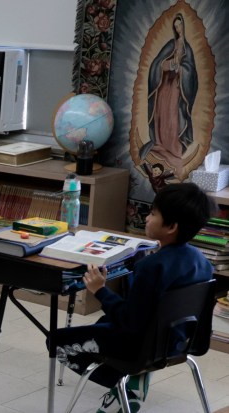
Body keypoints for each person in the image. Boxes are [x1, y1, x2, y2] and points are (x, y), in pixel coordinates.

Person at [52, 182, 215, 413]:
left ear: (171, 227)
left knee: (56, 342)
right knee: (102, 324)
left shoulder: (151, 266)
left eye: (153, 214)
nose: (147, 218)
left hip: (142, 348)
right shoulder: (203, 262)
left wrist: (100, 290)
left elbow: (130, 322)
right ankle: (133, 380)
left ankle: (125, 387)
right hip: (176, 343)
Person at [139, 13, 198, 178]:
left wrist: (181, 70)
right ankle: (160, 143)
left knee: (173, 117)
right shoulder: (171, 44)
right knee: (162, 115)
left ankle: (173, 147)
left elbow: (191, 71)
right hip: (164, 86)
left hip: (177, 88)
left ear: (184, 27)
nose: (178, 29)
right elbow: (156, 64)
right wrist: (167, 65)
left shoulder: (188, 49)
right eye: (176, 26)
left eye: (180, 26)